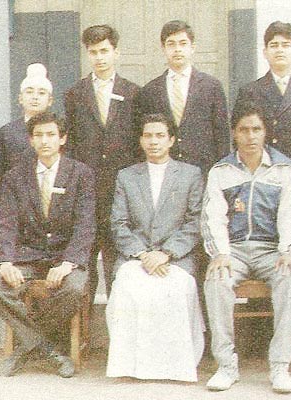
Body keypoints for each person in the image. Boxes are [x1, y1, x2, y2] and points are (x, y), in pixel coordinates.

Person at [0, 112, 96, 378]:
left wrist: (68, 263)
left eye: (51, 134)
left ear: (62, 139)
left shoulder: (81, 174)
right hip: (27, 256)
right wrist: (5, 262)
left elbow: (85, 225)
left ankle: (27, 346)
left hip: (63, 258)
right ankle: (48, 349)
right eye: (39, 135)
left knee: (75, 287)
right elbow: (6, 223)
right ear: (31, 140)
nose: (45, 141)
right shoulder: (15, 177)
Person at [201, 101, 291, 393]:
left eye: (256, 129)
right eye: (243, 130)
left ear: (265, 132)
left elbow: (289, 214)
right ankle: (226, 365)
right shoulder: (221, 171)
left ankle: (280, 366)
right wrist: (220, 253)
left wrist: (287, 250)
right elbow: (213, 216)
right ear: (234, 133)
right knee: (216, 280)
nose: (250, 136)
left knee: (290, 278)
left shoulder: (284, 169)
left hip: (271, 250)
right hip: (234, 251)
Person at [106, 113, 204, 382]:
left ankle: (175, 367)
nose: (153, 141)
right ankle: (131, 366)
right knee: (128, 286)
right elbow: (118, 223)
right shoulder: (127, 176)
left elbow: (194, 222)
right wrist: (143, 254)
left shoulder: (190, 174)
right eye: (148, 136)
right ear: (140, 140)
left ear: (171, 140)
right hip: (136, 257)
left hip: (176, 258)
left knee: (175, 288)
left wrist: (166, 253)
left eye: (160, 135)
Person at [64, 24, 140, 299]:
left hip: (121, 192)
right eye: (93, 52)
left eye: (104, 51)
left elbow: (138, 145)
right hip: (87, 193)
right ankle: (84, 324)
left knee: (118, 264)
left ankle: (117, 324)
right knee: (84, 266)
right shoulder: (75, 94)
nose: (99, 57)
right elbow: (71, 145)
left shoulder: (133, 93)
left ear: (116, 52)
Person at [135, 20, 229, 173]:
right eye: (171, 44)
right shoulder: (150, 90)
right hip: (164, 171)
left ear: (192, 47)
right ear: (163, 48)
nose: (177, 49)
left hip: (203, 170)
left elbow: (222, 135)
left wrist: (220, 173)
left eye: (183, 43)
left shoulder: (211, 86)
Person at [235, 21, 291, 161]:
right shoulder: (250, 91)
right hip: (265, 166)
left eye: (285, 45)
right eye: (274, 45)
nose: (279, 50)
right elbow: (240, 134)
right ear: (265, 52)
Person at [0, 63, 54, 175]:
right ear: (20, 98)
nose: (35, 97)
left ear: (50, 101)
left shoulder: (58, 129)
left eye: (41, 93)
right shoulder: (7, 132)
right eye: (29, 92)